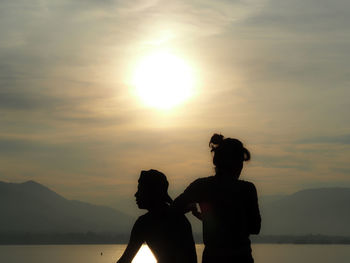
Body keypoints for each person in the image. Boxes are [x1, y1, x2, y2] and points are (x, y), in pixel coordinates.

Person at [173, 134, 261, 263]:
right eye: (240, 162)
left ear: (216, 161)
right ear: (237, 163)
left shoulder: (201, 186)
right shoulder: (247, 189)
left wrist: (201, 215)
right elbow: (254, 227)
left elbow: (175, 208)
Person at [117, 169, 197, 263]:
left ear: (151, 192)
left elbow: (125, 260)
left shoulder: (144, 223)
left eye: (140, 189)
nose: (136, 194)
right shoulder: (180, 220)